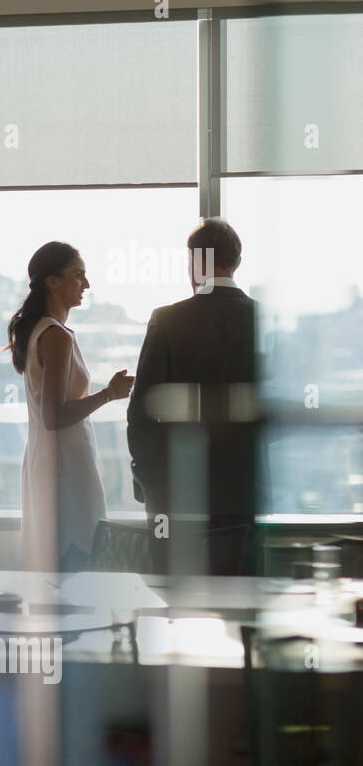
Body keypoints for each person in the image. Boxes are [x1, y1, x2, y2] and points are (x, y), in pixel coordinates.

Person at [127, 218, 261, 575]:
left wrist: (148, 480)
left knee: (172, 608)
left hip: (172, 494)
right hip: (240, 494)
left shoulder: (166, 320)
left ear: (195, 262)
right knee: (237, 609)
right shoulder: (265, 321)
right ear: (237, 261)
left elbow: (140, 412)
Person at [9, 241, 134, 572]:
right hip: (64, 467)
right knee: (76, 563)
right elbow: (55, 416)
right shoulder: (57, 336)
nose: (87, 285)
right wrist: (109, 394)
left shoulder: (40, 331)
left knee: (58, 565)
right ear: (52, 281)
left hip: (46, 459)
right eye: (78, 276)